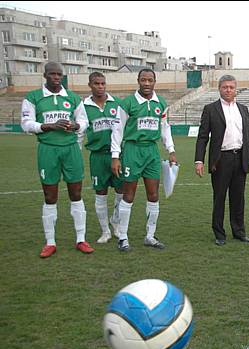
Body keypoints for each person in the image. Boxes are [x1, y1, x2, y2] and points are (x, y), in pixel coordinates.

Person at [21, 61, 94, 258]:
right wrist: (49, 126)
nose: (56, 77)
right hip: (48, 149)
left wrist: (75, 125)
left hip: (71, 149)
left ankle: (81, 239)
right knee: (50, 196)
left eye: (59, 74)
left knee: (76, 193)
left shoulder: (72, 97)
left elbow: (84, 121)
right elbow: (26, 123)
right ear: (45, 75)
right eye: (52, 74)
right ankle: (50, 242)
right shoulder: (33, 97)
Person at [110, 68, 177, 252]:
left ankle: (150, 236)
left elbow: (165, 128)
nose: (147, 83)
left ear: (155, 81)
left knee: (153, 195)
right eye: (143, 80)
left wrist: (170, 149)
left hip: (152, 152)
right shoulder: (128, 103)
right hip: (132, 150)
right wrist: (115, 156)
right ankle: (122, 237)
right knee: (128, 194)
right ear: (138, 81)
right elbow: (118, 131)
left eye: (150, 80)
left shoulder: (160, 103)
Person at [194, 75, 249, 246]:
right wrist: (199, 160)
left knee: (238, 198)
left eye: (231, 87)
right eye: (225, 87)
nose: (228, 90)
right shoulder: (210, 109)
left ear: (235, 88)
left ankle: (239, 231)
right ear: (219, 89)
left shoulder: (243, 109)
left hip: (241, 158)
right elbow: (202, 137)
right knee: (219, 197)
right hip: (221, 159)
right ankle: (219, 234)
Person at [83, 72, 123, 244]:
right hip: (98, 156)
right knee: (101, 193)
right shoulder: (83, 106)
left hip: (118, 156)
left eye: (102, 83)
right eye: (96, 83)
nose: (100, 86)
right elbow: (80, 131)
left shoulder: (117, 104)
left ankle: (115, 221)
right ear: (90, 85)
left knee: (122, 192)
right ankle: (105, 231)